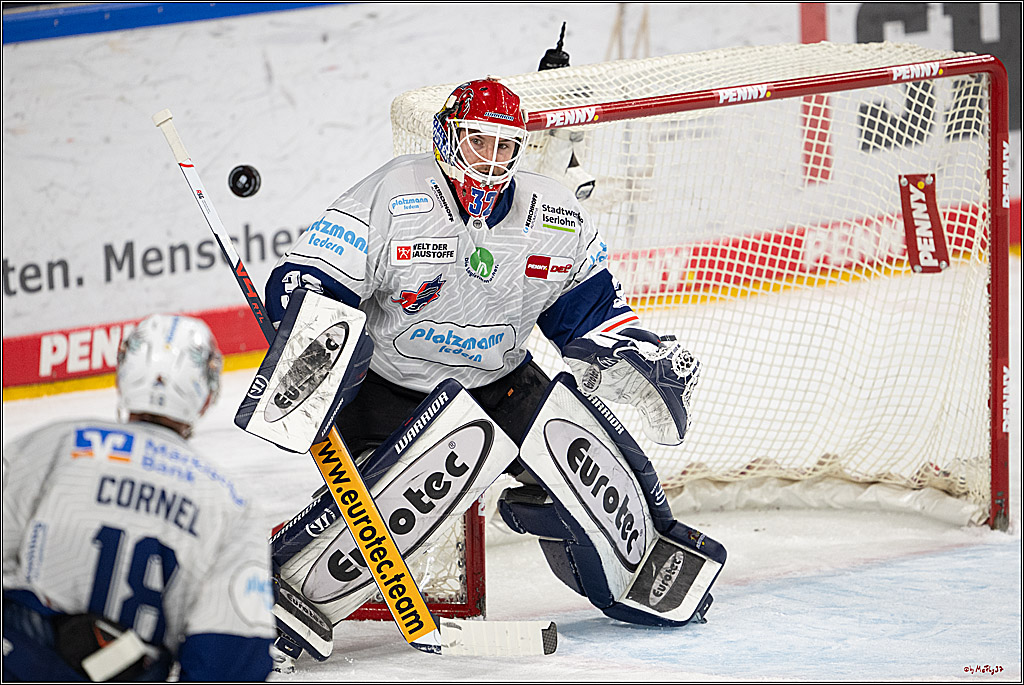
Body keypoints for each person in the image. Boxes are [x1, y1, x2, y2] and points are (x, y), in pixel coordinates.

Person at [264, 77, 716, 662]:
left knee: (582, 443)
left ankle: (635, 564)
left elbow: (591, 310)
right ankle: (286, 596)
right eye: (480, 142)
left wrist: (635, 348)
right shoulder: (392, 195)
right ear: (448, 136)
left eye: (507, 147)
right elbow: (307, 277)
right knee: (410, 493)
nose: (494, 161)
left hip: (500, 382)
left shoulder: (553, 213)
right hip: (390, 393)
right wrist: (304, 314)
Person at [2, 314, 276, 682]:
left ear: (122, 374)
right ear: (208, 393)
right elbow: (231, 661)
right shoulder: (232, 504)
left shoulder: (53, 446)